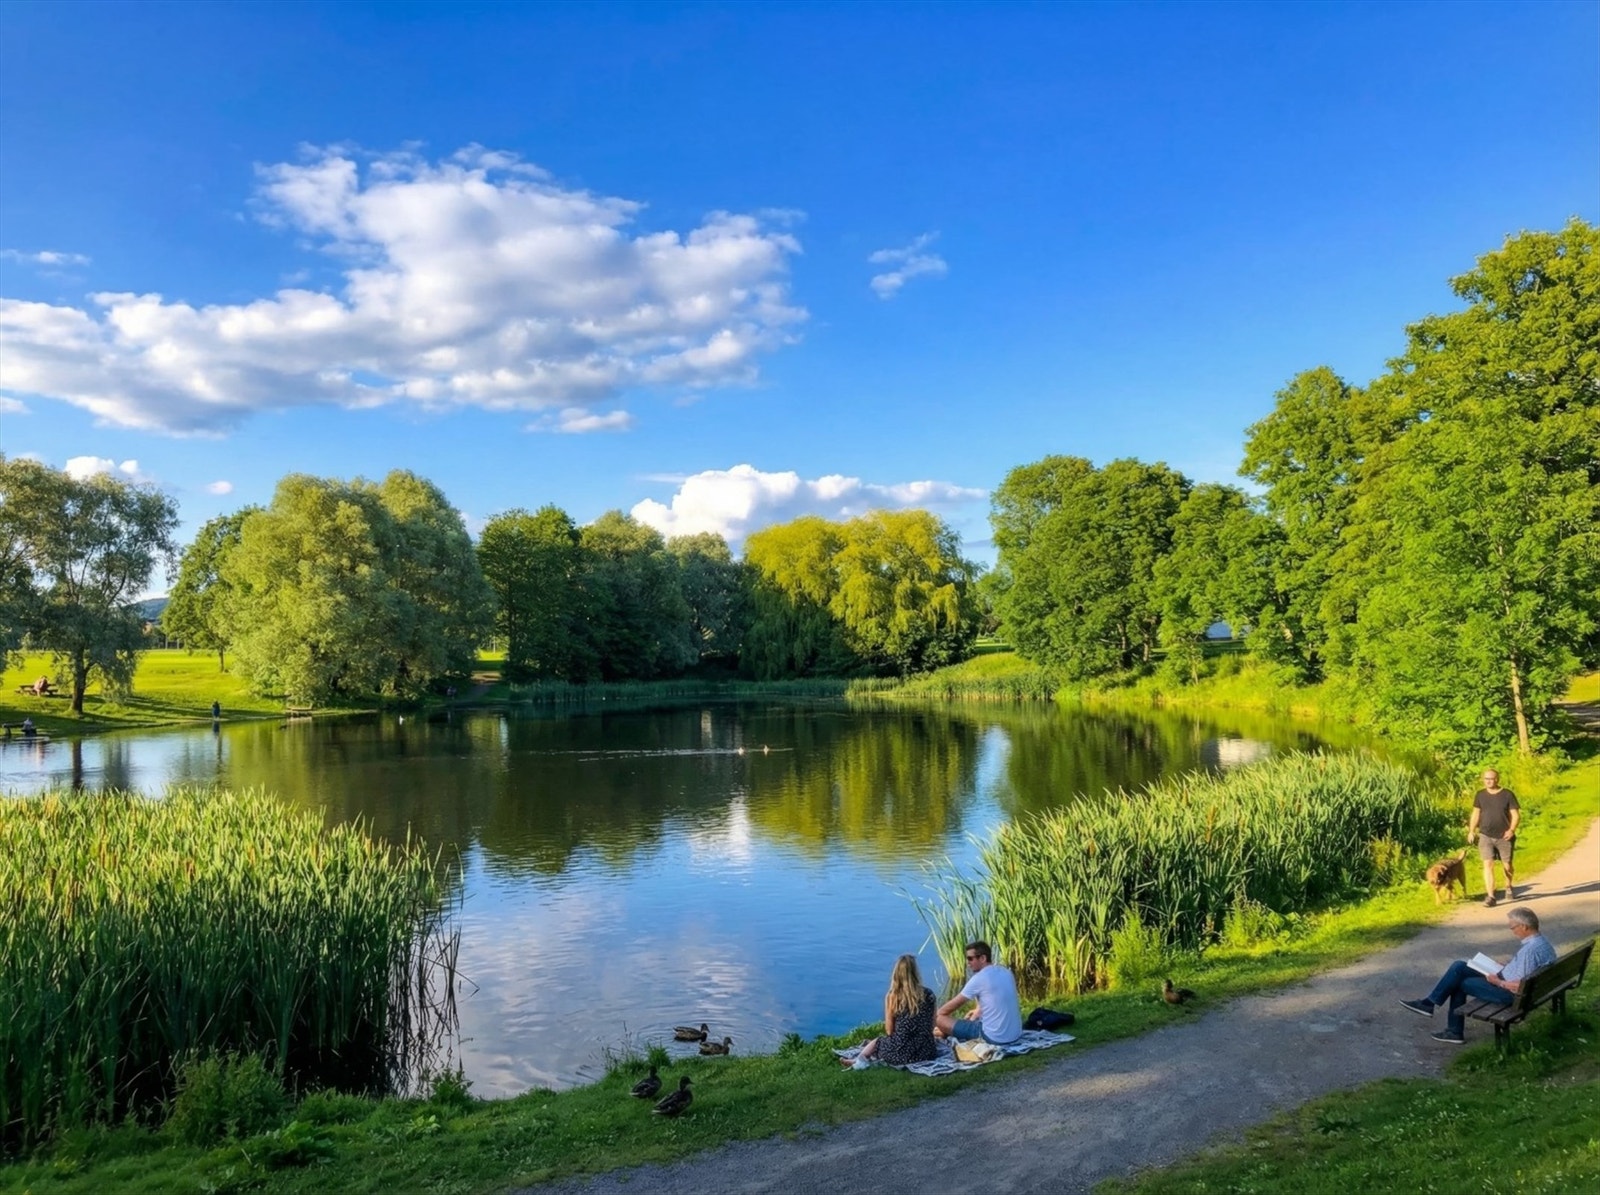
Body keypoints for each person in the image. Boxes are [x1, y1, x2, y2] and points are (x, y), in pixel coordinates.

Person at [1399, 906, 1557, 1044]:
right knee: (1460, 966)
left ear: (1524, 927)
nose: (1512, 931)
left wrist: (1498, 982)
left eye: (1513, 927)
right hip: (1519, 985)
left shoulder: (1529, 951)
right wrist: (1508, 967)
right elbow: (1527, 972)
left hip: (1511, 995)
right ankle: (1430, 1004)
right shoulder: (1541, 943)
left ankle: (1452, 1030)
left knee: (1461, 982)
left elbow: (1519, 986)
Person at [849, 954, 938, 1068]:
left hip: (899, 1054)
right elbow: (932, 1025)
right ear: (916, 973)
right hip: (927, 1052)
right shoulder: (929, 994)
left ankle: (858, 1060)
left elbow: (889, 1031)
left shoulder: (893, 996)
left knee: (878, 1042)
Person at [935, 939, 1023, 1046]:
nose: (968, 963)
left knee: (940, 1019)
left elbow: (948, 1008)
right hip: (1016, 1035)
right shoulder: (1006, 972)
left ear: (983, 958)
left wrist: (935, 1020)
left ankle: (944, 1033)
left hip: (993, 1038)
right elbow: (991, 1002)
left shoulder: (979, 979)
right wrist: (976, 1012)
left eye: (970, 959)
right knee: (969, 1018)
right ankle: (945, 1032)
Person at [1469, 768, 1521, 906]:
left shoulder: (1507, 794)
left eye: (1491, 779)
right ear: (1483, 780)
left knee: (1507, 866)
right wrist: (1471, 830)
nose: (1489, 781)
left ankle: (1508, 885)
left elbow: (1515, 815)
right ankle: (1491, 896)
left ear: (1497, 779)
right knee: (1488, 864)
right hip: (1485, 835)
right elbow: (1476, 813)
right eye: (1486, 779)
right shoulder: (1480, 795)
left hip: (1504, 836)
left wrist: (1511, 830)